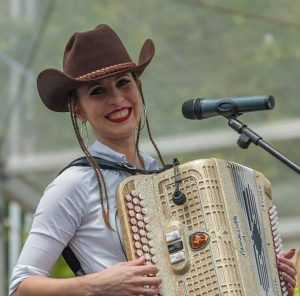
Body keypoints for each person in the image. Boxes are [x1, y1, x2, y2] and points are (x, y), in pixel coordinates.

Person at [9, 24, 297, 296]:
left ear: (139, 87)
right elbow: (21, 285)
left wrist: (266, 272)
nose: (117, 98)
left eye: (124, 83)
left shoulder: (160, 176)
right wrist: (99, 284)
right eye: (98, 91)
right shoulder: (72, 184)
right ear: (78, 110)